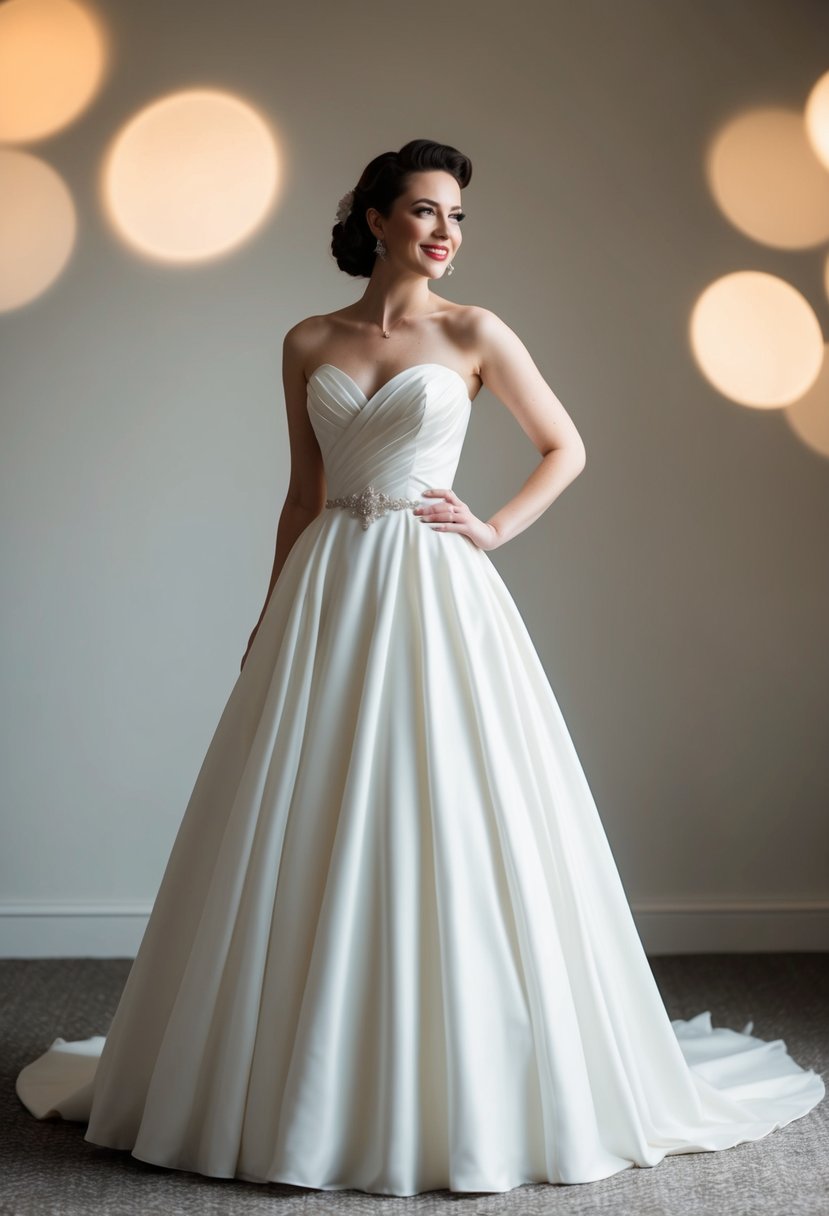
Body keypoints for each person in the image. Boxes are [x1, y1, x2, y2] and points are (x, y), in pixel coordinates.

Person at [16, 138, 825, 1198]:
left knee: (443, 800)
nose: (446, 232)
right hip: (326, 589)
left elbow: (565, 445)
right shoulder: (308, 338)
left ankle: (453, 1068)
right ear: (376, 218)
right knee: (301, 812)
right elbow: (302, 495)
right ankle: (298, 1062)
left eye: (457, 217)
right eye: (427, 211)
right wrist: (267, 617)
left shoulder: (476, 331)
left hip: (435, 586)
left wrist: (489, 527)